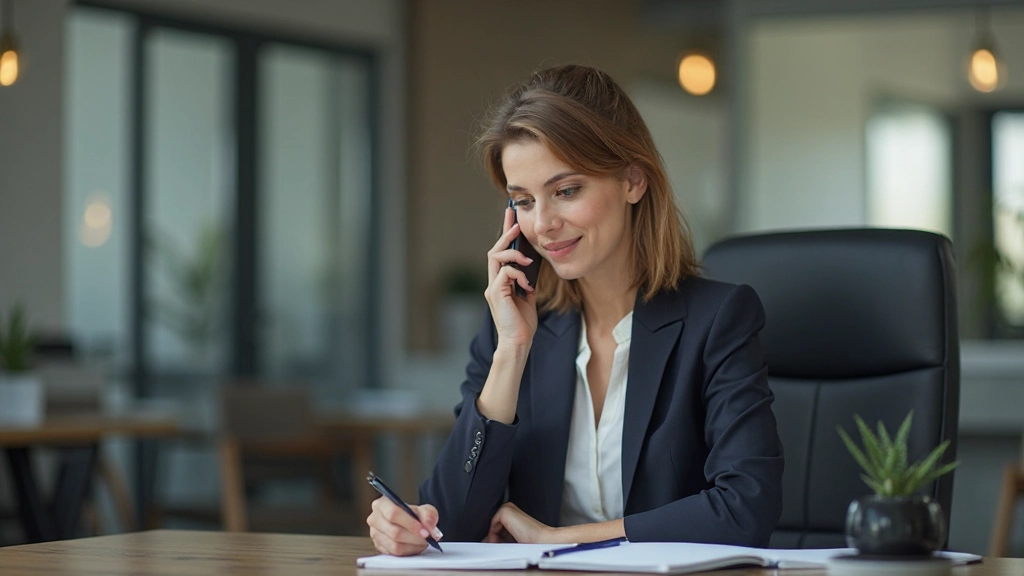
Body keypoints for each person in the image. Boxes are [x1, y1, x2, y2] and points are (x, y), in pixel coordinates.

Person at [367, 64, 783, 556]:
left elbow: (744, 510)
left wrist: (560, 539)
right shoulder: (516, 325)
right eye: (523, 201)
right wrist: (511, 353)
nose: (543, 225)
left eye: (566, 191)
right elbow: (450, 526)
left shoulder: (717, 320)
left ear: (633, 180)